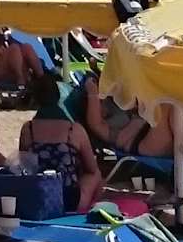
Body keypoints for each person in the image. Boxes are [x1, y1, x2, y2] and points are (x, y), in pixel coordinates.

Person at [13, 73, 131, 214]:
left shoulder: (28, 129)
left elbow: (24, 164)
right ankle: (87, 212)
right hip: (69, 200)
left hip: (38, 197)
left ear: (36, 99)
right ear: (58, 97)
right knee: (95, 174)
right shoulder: (73, 130)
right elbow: (91, 168)